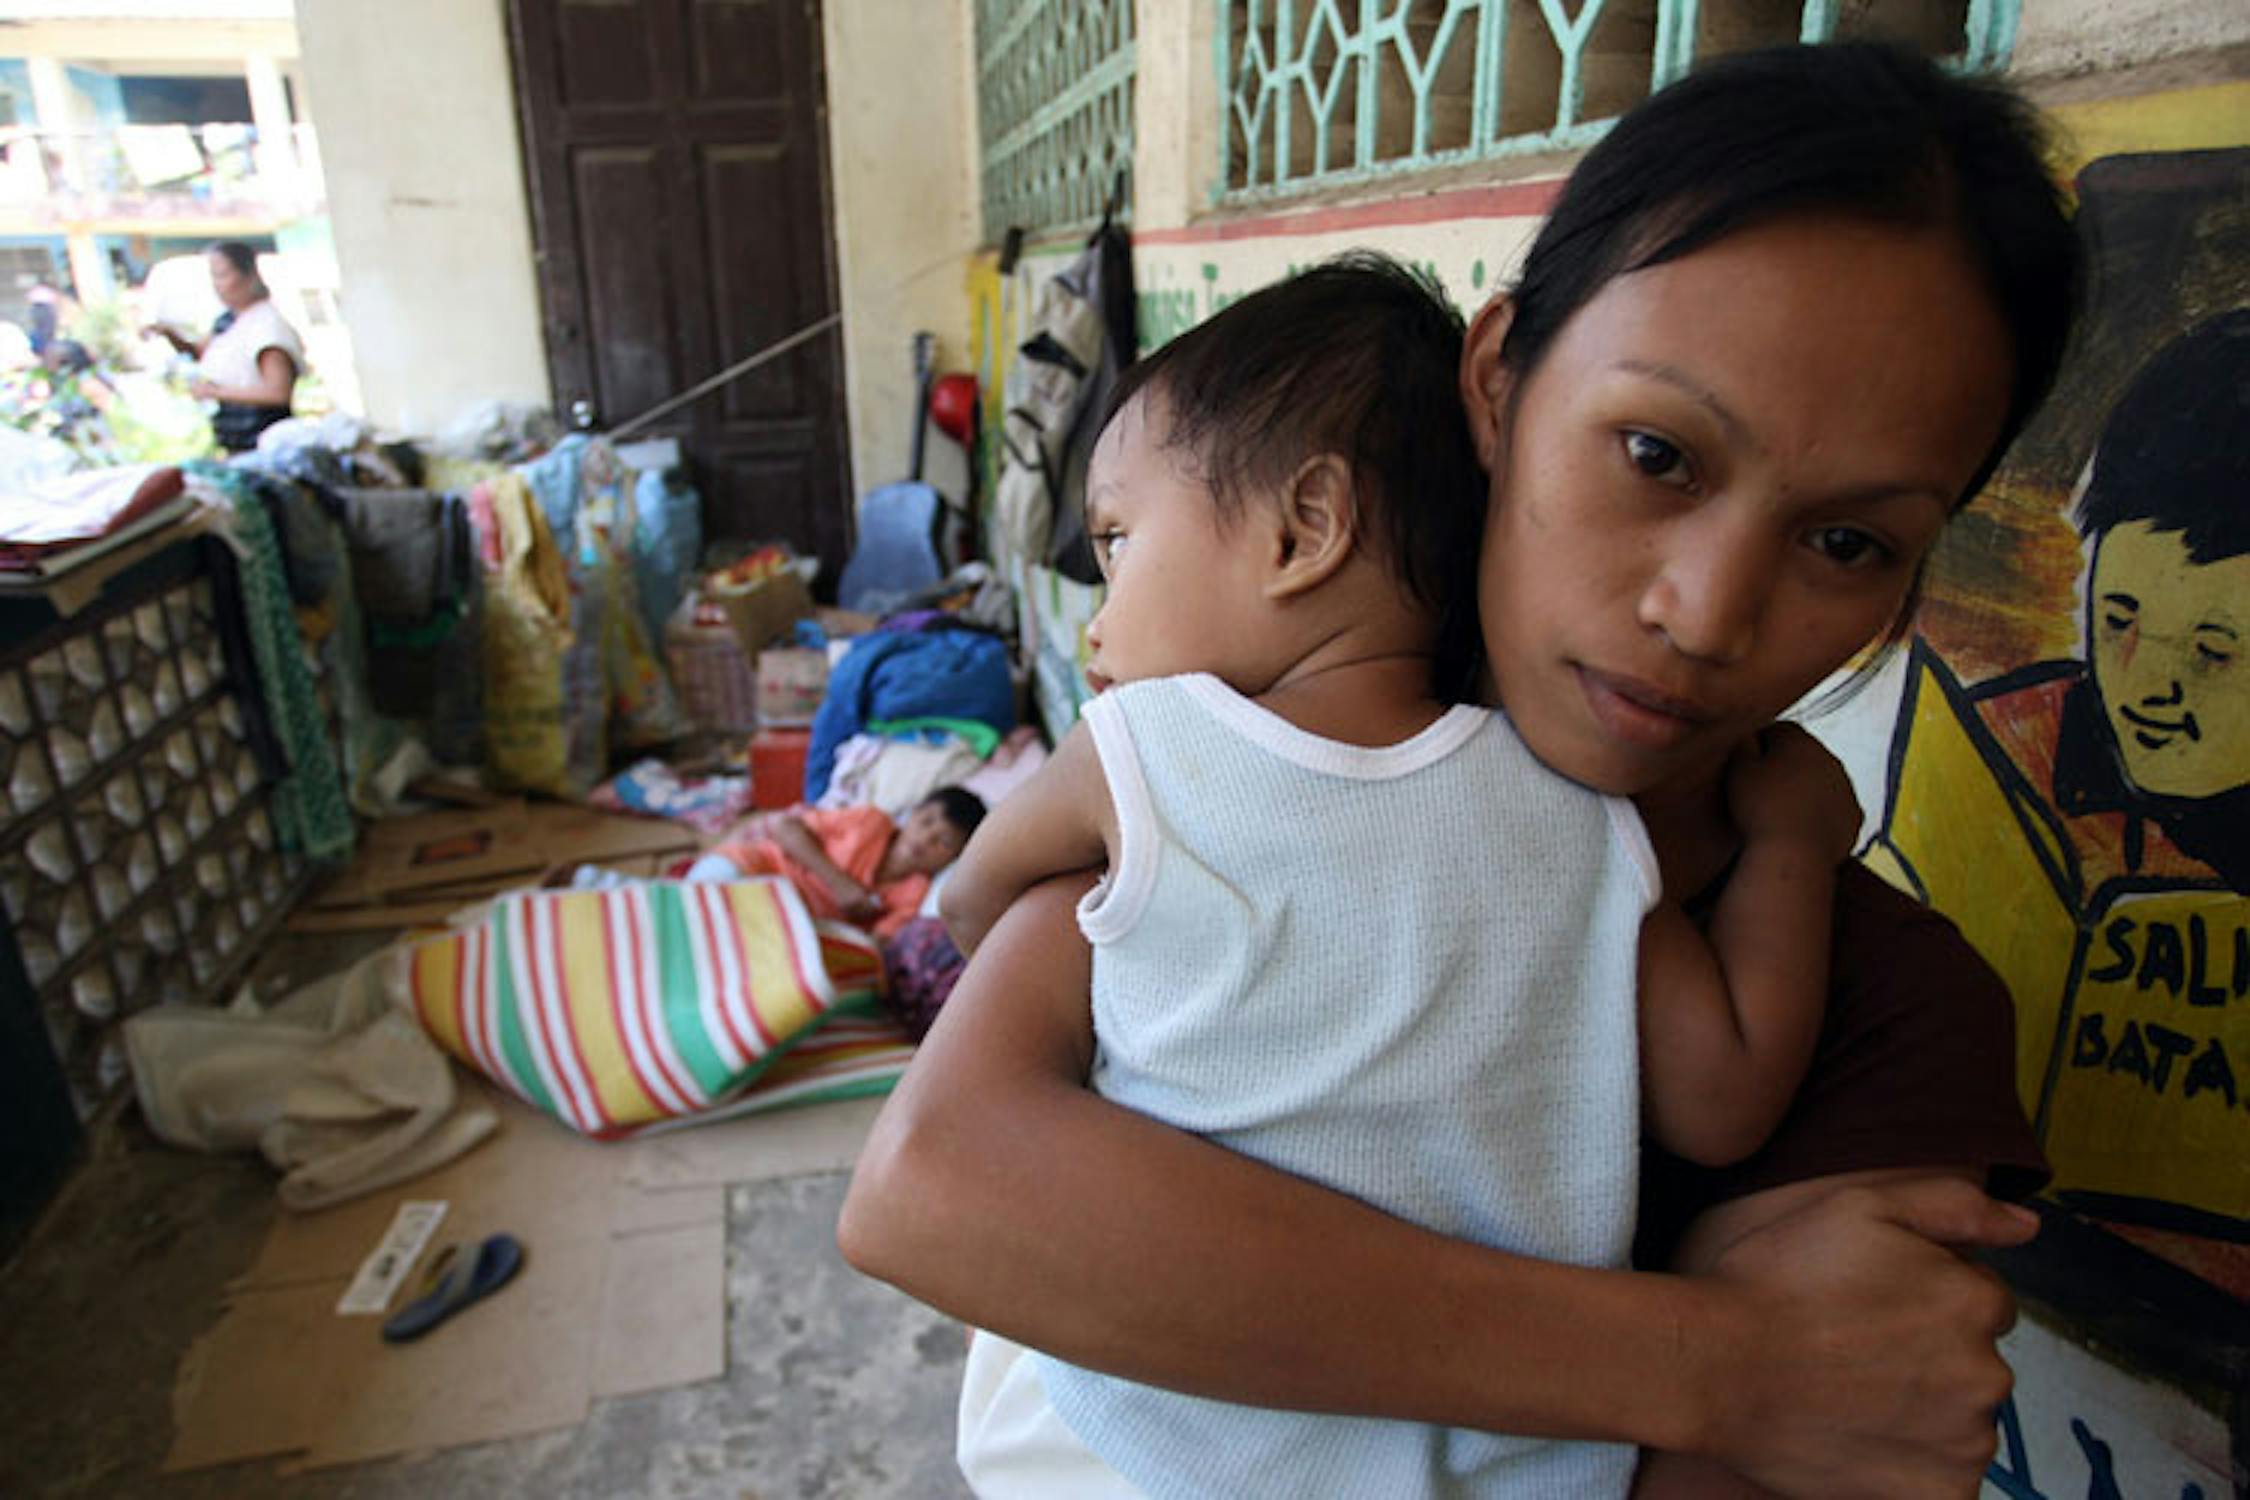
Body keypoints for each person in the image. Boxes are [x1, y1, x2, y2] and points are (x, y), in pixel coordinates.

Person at [840, 39, 2078, 1500]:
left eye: (1847, 542)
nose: (1704, 611)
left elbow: (1832, 1421)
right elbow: (941, 1188)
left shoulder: (1885, 1017)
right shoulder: (1252, 776)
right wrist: (1714, 1364)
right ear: (1496, 381)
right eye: (1654, 454)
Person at [933, 255, 1859, 1496]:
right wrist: (1795, 844)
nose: (1097, 615)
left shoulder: (1143, 757)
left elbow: (967, 902)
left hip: (1157, 1430)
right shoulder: (1580, 813)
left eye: (1118, 542)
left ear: (1303, 531)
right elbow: (1724, 1095)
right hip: (1497, 1461)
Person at [687, 786, 986, 939]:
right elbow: (786, 829)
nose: (925, 838)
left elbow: (877, 944)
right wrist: (838, 882)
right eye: (926, 821)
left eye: (944, 841)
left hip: (787, 924)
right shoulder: (870, 821)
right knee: (692, 909)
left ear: (955, 857)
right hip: (753, 868)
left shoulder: (915, 895)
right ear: (913, 814)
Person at [148, 241, 302, 453]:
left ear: (248, 275)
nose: (217, 285)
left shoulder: (267, 325)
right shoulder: (227, 321)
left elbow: (278, 392)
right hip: (235, 440)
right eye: (213, 277)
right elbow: (200, 353)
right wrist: (169, 334)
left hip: (264, 441)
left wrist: (217, 392)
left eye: (222, 275)